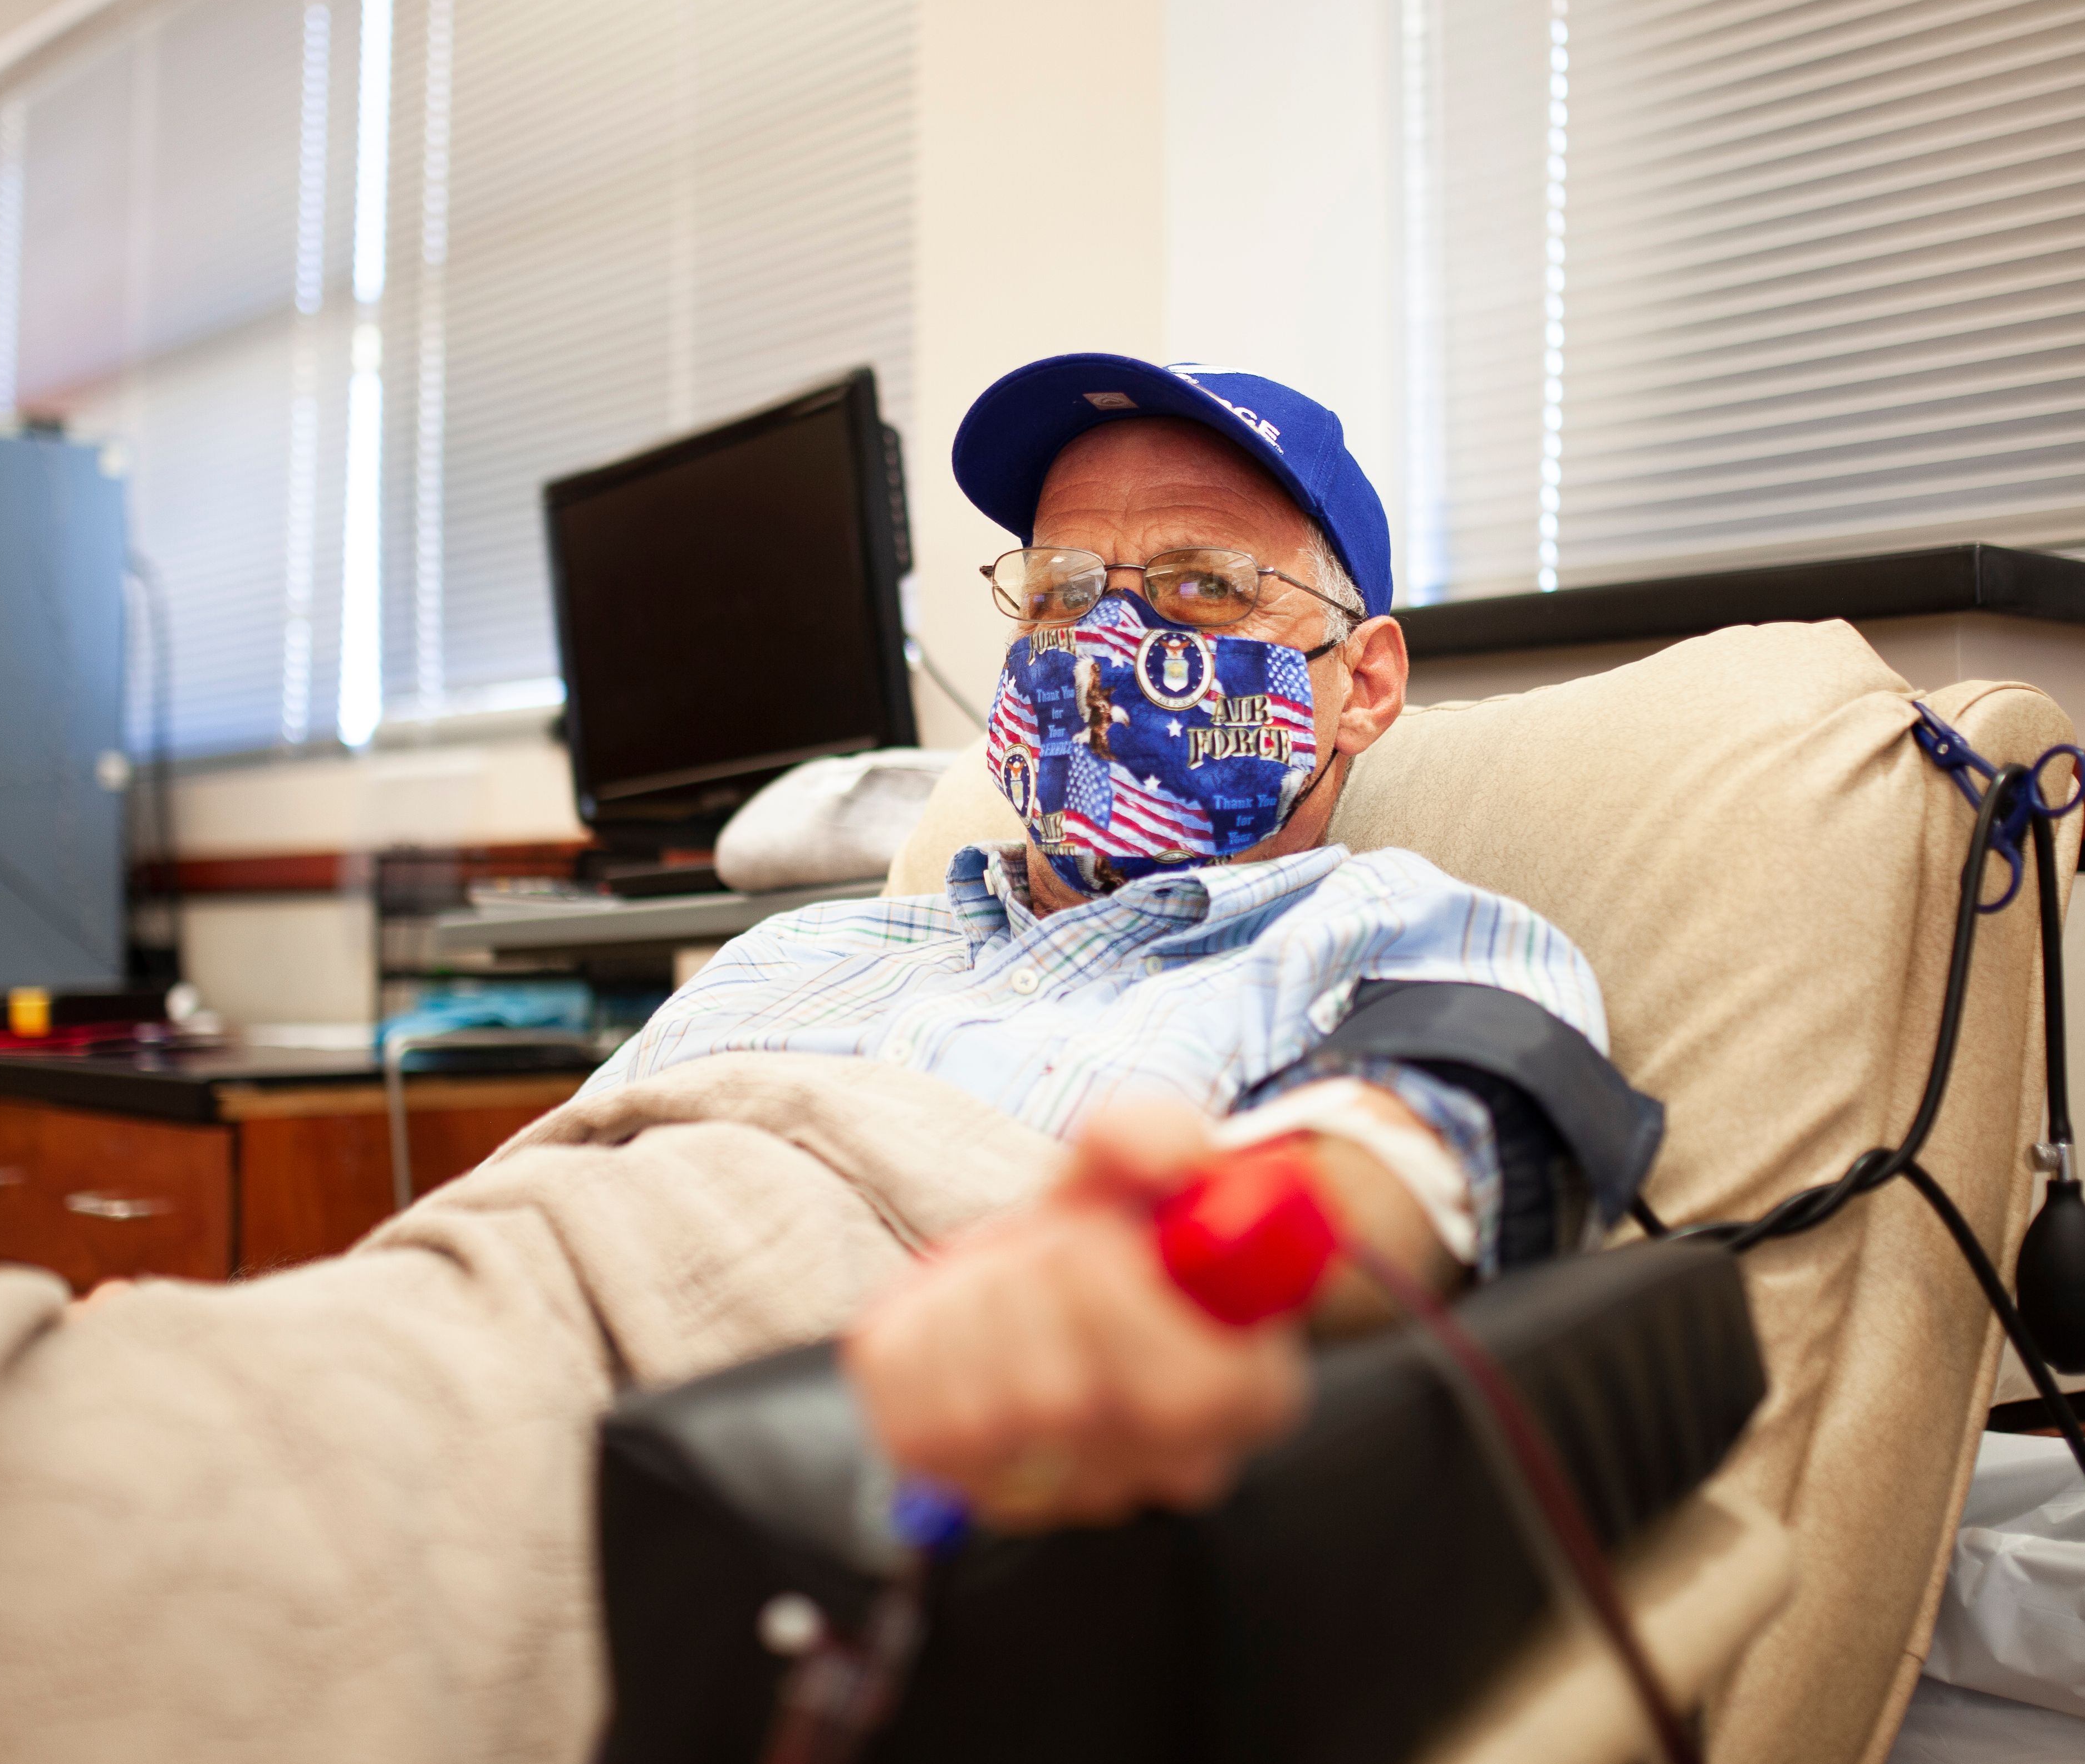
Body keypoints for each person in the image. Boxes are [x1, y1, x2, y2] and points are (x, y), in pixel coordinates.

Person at [582, 351, 1660, 1534]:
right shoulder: (795, 949)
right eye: (1060, 590)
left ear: (1365, 684)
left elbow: (1405, 1157)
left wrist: (1183, 1281)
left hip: (799, 1467)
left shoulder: (1396, 937)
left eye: (1204, 586)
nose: (1105, 638)